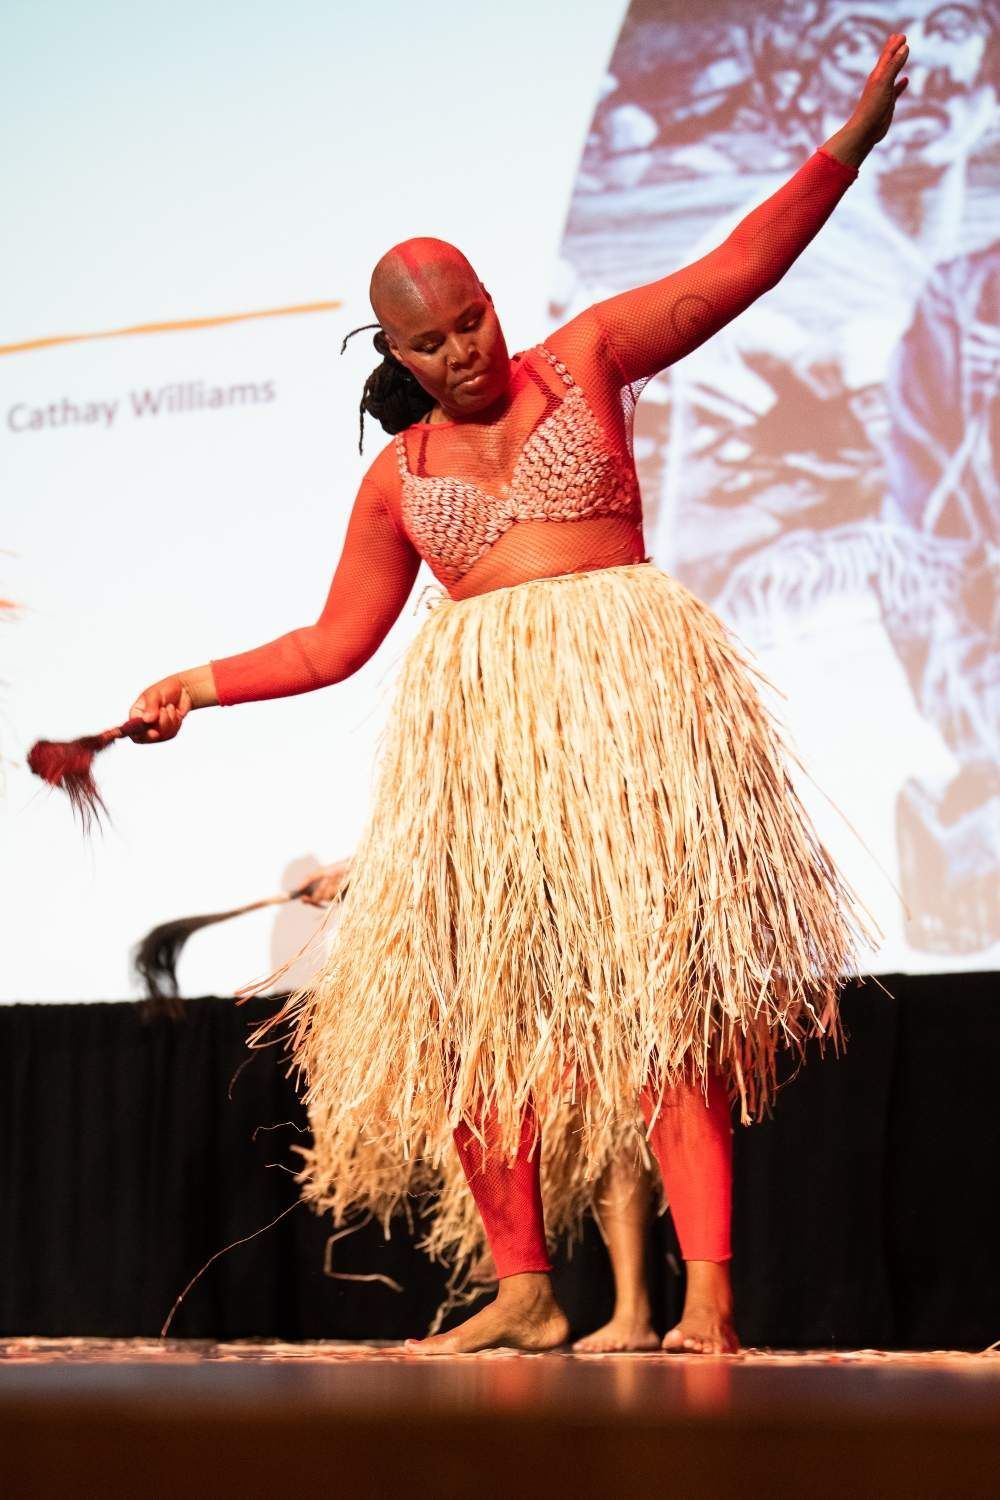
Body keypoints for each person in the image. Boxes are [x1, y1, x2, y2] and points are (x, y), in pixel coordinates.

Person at [125, 35, 909, 1356]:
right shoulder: (399, 480)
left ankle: (707, 1302)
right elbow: (333, 644)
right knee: (474, 1020)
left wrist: (852, 141)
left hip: (634, 726)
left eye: (474, 319)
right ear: (396, 352)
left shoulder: (589, 358)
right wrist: (197, 686)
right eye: (431, 344)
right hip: (493, 757)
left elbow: (737, 271)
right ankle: (528, 1289)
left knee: (667, 1015)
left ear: (496, 295)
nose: (465, 353)